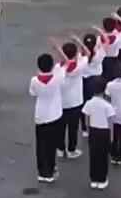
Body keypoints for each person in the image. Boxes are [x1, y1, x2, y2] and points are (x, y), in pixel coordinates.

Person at [29, 51, 66, 183]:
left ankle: (42, 172)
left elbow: (32, 93)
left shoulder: (34, 80)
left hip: (40, 115)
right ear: (51, 66)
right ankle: (50, 171)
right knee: (51, 145)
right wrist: (58, 49)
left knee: (41, 145)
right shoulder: (57, 78)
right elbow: (66, 63)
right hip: (54, 115)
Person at [56, 37, 89, 160]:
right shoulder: (80, 66)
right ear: (75, 54)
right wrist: (78, 41)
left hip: (61, 102)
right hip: (75, 102)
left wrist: (58, 50)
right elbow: (88, 53)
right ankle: (71, 149)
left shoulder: (58, 68)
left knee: (61, 127)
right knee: (73, 128)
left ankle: (60, 149)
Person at [81, 78, 115, 189]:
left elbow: (86, 118)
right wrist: (111, 137)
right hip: (104, 132)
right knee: (103, 156)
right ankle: (102, 179)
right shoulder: (107, 106)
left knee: (93, 155)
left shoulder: (89, 103)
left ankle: (94, 179)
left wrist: (87, 130)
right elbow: (110, 123)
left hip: (93, 131)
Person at [80, 33, 105, 135]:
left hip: (84, 81)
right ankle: (94, 124)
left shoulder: (81, 56)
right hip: (96, 80)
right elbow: (105, 42)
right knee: (96, 103)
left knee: (84, 104)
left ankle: (84, 127)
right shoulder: (99, 54)